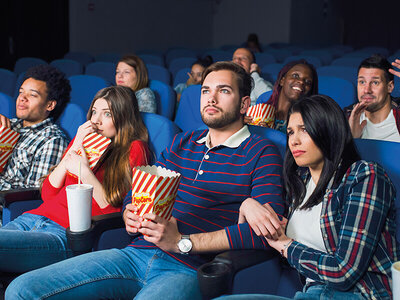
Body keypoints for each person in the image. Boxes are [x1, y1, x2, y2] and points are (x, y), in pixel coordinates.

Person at [5, 61, 285, 300]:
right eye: (205, 91)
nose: (210, 99)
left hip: (187, 268)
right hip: (134, 254)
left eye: (223, 91)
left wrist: (183, 242)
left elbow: (264, 233)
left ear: (244, 103)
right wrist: (129, 212)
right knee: (21, 289)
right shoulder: (182, 143)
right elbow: (138, 189)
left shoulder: (261, 152)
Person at [231, 95, 397, 299]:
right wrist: (248, 204)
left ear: (329, 130)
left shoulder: (364, 176)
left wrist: (285, 245)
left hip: (360, 293)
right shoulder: (300, 182)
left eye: (305, 130)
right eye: (290, 132)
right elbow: (289, 252)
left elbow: (344, 272)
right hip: (313, 291)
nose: (294, 140)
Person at [0, 86, 150, 275]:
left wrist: (85, 171)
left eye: (107, 114)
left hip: (65, 233)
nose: (95, 121)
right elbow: (48, 194)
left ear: (123, 118)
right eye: (94, 112)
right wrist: (76, 144)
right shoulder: (84, 140)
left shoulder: (135, 148)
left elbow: (113, 209)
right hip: (34, 218)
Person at [0, 65, 71, 191]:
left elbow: (33, 194)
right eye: (21, 92)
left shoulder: (52, 141)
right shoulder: (10, 126)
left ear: (49, 105)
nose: (22, 98)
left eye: (32, 95)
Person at [248, 60, 318, 133]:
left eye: (308, 82)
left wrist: (269, 134)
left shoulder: (307, 121)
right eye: (295, 76)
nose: (301, 82)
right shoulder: (264, 102)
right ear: (282, 80)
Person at [345, 54, 400, 142]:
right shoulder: (346, 117)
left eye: (375, 82)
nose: (367, 90)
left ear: (390, 86)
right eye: (362, 82)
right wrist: (352, 139)